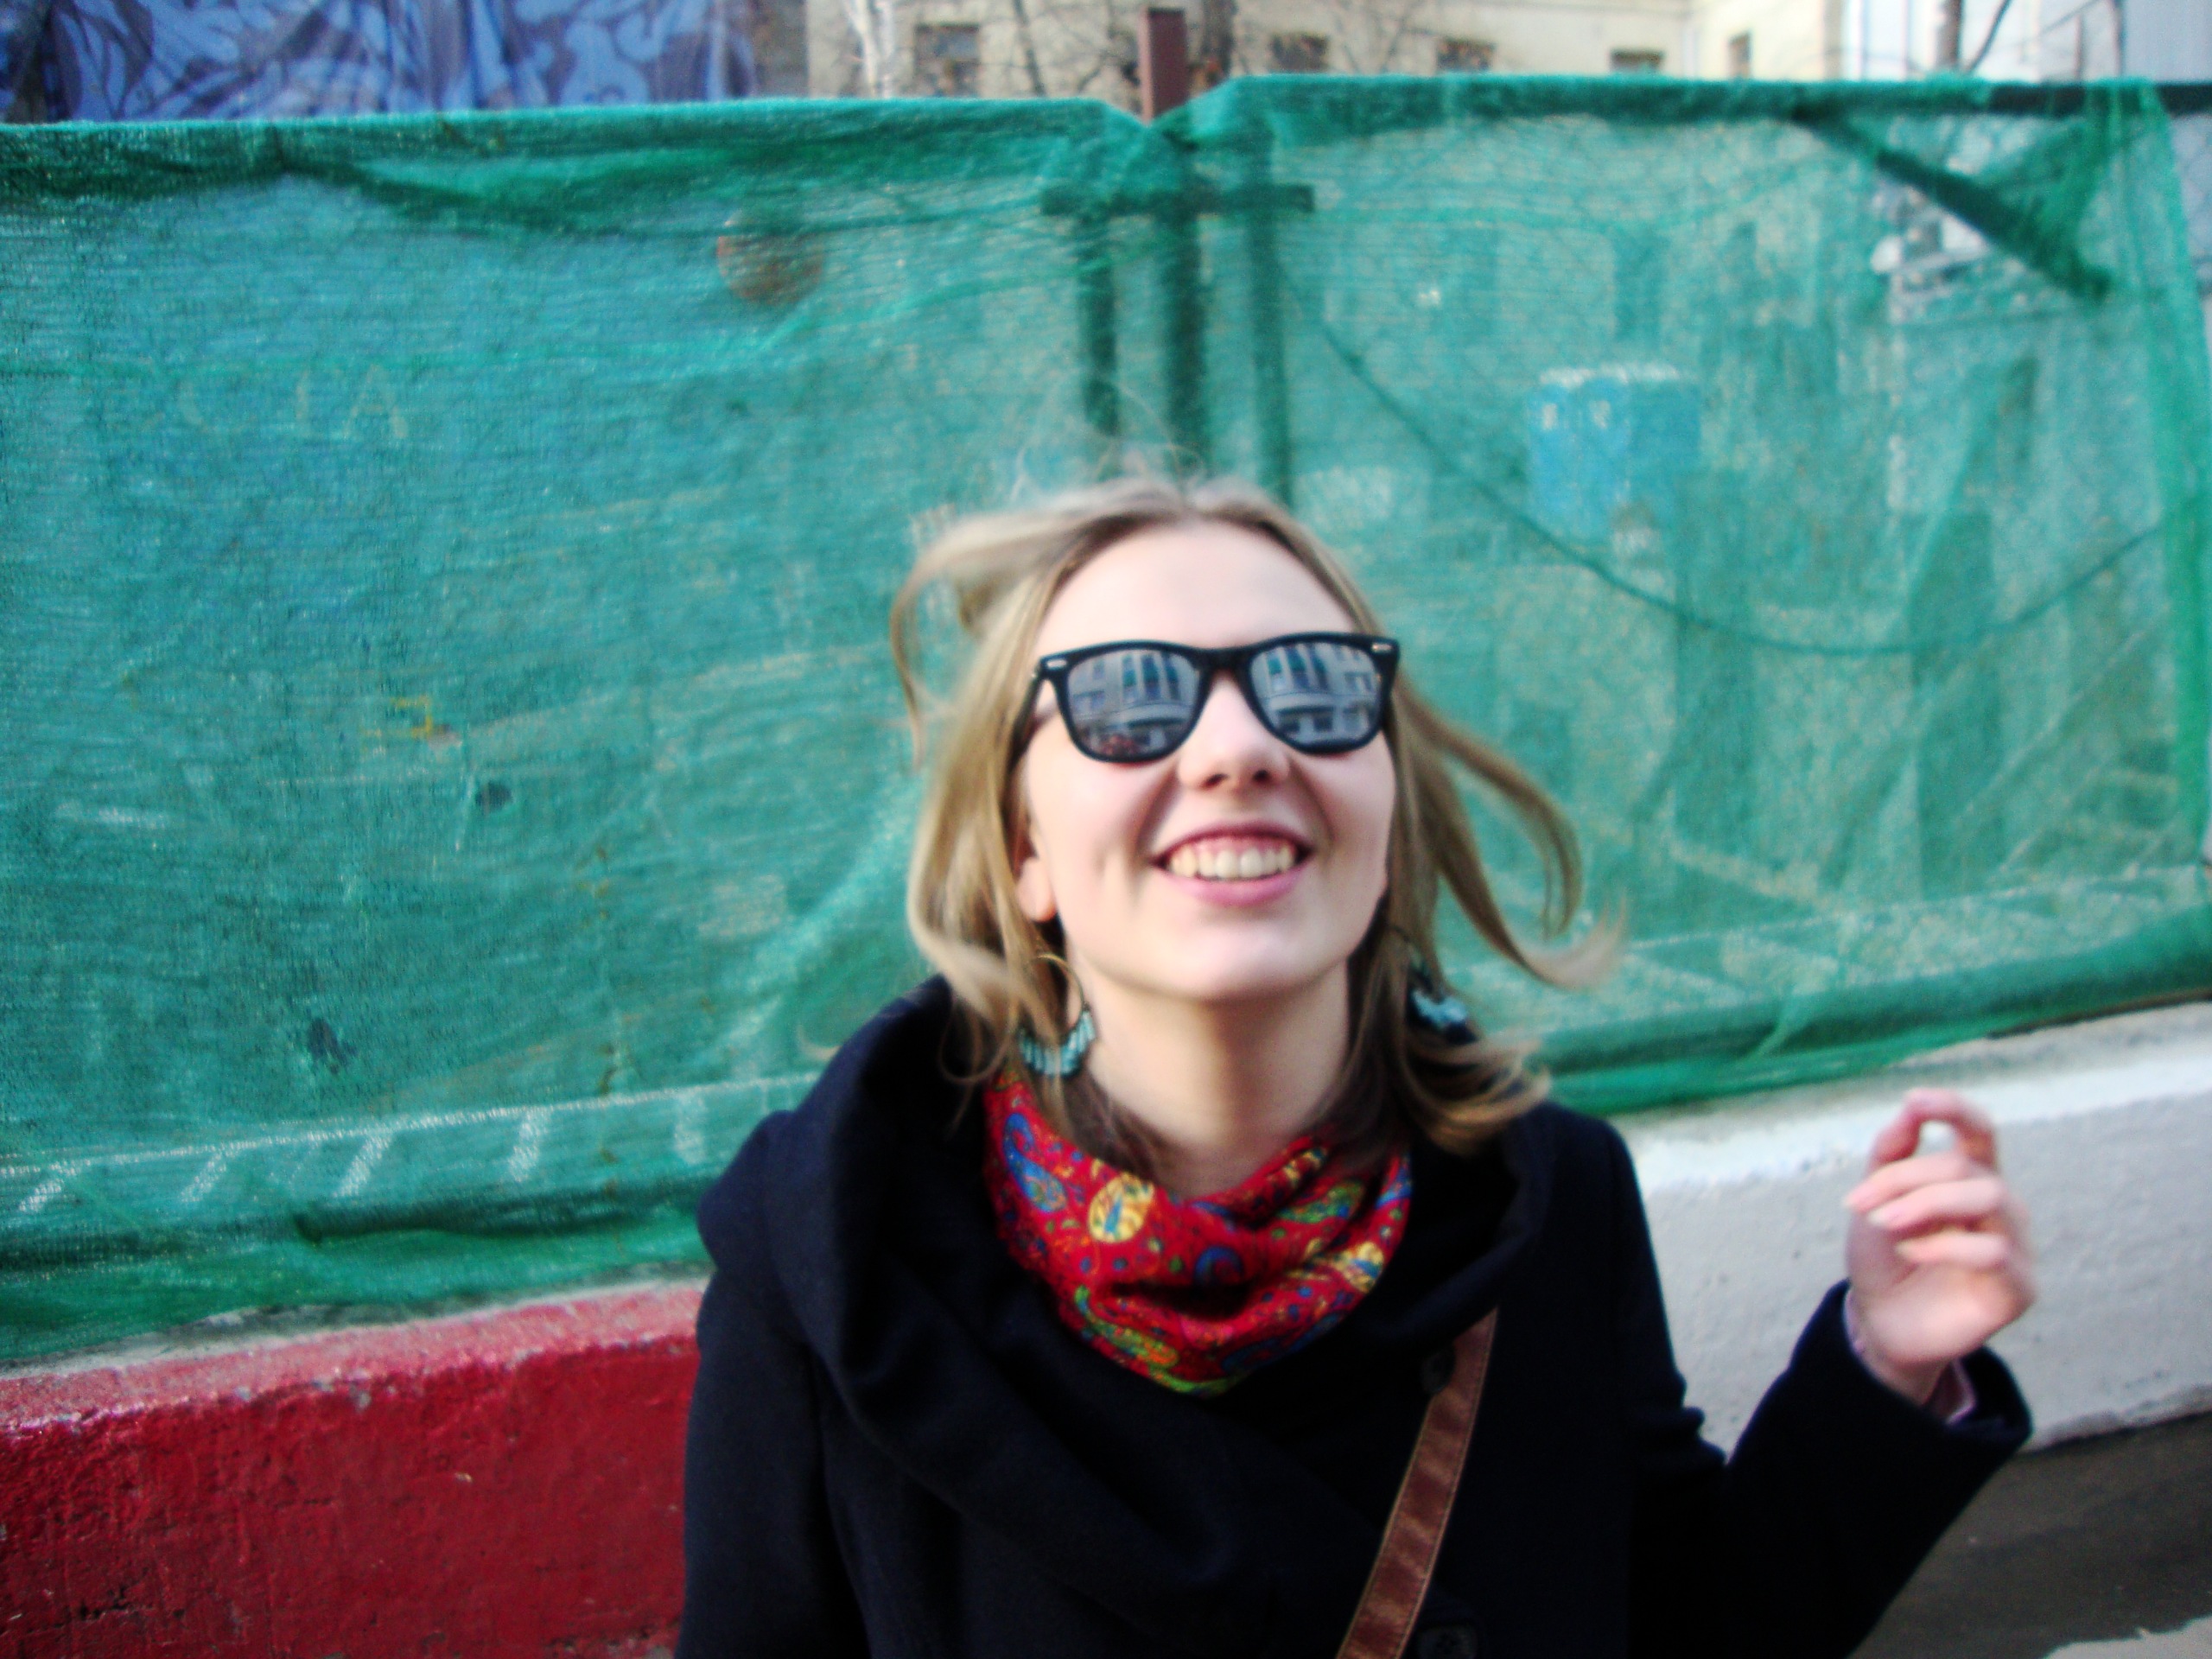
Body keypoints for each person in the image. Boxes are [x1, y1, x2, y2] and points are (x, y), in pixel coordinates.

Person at [676, 477, 2035, 1659]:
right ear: (1023, 846)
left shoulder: (1544, 1203)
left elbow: (1678, 1627)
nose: (1239, 749)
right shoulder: (835, 1264)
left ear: (1383, 807)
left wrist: (1882, 1372)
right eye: (1131, 698)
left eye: (1313, 687)